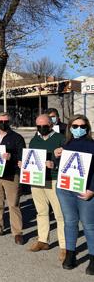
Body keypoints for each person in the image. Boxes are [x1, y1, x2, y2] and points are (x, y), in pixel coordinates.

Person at [21, 114, 66, 261]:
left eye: (44, 125)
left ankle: (65, 246)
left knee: (60, 214)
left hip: (53, 180)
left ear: (51, 125)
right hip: (37, 180)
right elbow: (32, 158)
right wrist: (24, 165)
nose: (41, 128)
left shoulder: (60, 138)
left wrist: (55, 163)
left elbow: (67, 161)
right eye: (38, 126)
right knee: (41, 212)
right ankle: (43, 240)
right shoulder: (35, 140)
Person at [55, 114, 94, 274]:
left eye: (82, 126)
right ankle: (70, 254)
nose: (79, 129)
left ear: (87, 128)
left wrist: (92, 189)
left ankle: (92, 258)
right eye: (75, 126)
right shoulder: (66, 143)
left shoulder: (92, 145)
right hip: (65, 189)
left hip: (85, 190)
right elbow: (63, 167)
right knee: (70, 222)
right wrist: (57, 156)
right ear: (70, 127)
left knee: (89, 225)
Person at [0, 112, 26, 245]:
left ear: (9, 122)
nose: (3, 123)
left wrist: (11, 157)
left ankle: (17, 232)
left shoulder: (17, 137)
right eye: (1, 121)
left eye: (6, 121)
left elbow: (23, 156)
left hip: (10, 175)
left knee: (13, 204)